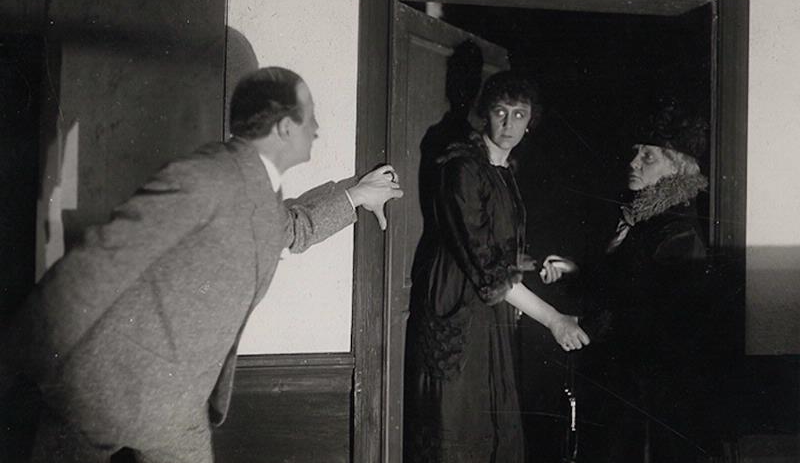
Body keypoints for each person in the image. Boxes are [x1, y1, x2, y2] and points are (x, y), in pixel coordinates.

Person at [4, 66, 403, 462]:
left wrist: (356, 195)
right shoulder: (207, 175)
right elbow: (97, 263)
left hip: (178, 404)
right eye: (309, 114)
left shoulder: (259, 192)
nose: (316, 126)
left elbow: (294, 228)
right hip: (102, 389)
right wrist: (11, 359)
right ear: (284, 127)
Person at [403, 71, 589, 463]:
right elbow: (484, 265)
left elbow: (495, 250)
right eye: (500, 112)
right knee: (460, 428)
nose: (508, 124)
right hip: (458, 307)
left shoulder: (502, 171)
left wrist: (530, 265)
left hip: (490, 313)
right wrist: (554, 319)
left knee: (494, 430)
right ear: (484, 114)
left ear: (530, 120)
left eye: (519, 114)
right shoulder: (462, 168)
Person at [581, 103, 715, 462]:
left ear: (678, 167)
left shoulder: (677, 231)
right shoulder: (646, 220)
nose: (634, 162)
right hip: (631, 383)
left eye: (648, 156)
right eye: (636, 152)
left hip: (650, 393)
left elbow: (653, 316)